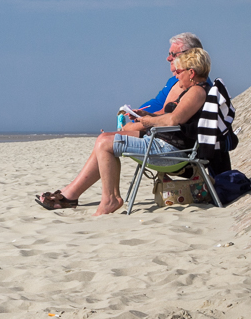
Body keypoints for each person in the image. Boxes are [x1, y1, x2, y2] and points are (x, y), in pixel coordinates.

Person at [36, 48, 212, 216]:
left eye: (179, 71)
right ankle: (82, 195)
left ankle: (110, 199)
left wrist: (147, 121)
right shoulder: (193, 90)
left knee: (106, 144)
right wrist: (147, 114)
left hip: (169, 150)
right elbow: (173, 116)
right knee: (104, 138)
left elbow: (174, 120)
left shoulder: (196, 91)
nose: (176, 75)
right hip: (163, 143)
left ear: (192, 72)